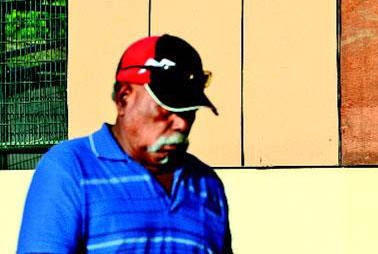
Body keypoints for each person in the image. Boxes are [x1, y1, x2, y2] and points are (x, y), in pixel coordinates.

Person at [17, 34, 233, 254]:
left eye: (189, 111)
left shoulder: (207, 184)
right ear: (124, 99)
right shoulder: (71, 168)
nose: (181, 123)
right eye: (167, 109)